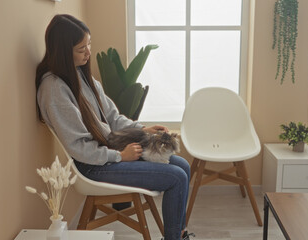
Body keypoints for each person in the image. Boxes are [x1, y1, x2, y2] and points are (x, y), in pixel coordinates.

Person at [35, 14, 193, 240]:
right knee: (176, 177)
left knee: (183, 166)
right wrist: (120, 156)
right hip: (93, 164)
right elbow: (79, 148)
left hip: (108, 151)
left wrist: (143, 129)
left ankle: (179, 233)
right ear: (62, 50)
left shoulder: (81, 77)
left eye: (88, 44)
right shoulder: (54, 90)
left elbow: (113, 117)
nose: (88, 52)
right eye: (81, 49)